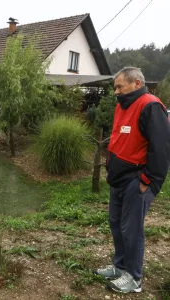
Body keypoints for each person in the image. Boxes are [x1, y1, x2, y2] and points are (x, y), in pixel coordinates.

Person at [94, 67, 170, 293]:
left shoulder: (150, 106)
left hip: (137, 181)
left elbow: (162, 148)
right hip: (119, 180)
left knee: (131, 229)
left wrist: (147, 179)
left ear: (137, 84)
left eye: (120, 86)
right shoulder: (121, 106)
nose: (116, 91)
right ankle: (119, 267)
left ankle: (134, 278)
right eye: (115, 87)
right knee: (117, 225)